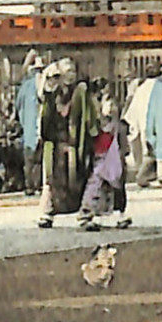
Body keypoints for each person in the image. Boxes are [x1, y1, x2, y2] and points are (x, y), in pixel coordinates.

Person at [37, 60, 100, 228]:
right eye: (67, 71)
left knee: (80, 178)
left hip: (75, 145)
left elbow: (89, 117)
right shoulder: (52, 94)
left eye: (73, 70)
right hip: (56, 145)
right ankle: (46, 213)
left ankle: (85, 214)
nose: (70, 74)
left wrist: (93, 134)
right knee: (53, 181)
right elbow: (45, 119)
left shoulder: (81, 92)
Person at [78, 91, 133, 230]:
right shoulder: (96, 125)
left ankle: (121, 215)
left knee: (117, 190)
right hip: (100, 159)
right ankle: (90, 214)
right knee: (96, 188)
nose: (112, 108)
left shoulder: (120, 126)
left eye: (114, 105)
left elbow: (124, 146)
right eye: (109, 104)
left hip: (115, 161)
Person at [124, 63, 162, 188]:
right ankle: (145, 175)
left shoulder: (141, 89)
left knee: (147, 149)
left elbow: (132, 112)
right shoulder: (161, 87)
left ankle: (147, 173)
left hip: (143, 123)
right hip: (158, 122)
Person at [16, 53, 45, 196]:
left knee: (31, 159)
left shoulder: (25, 87)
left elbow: (18, 107)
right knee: (36, 160)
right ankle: (35, 185)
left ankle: (31, 186)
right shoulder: (43, 86)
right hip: (35, 127)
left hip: (30, 128)